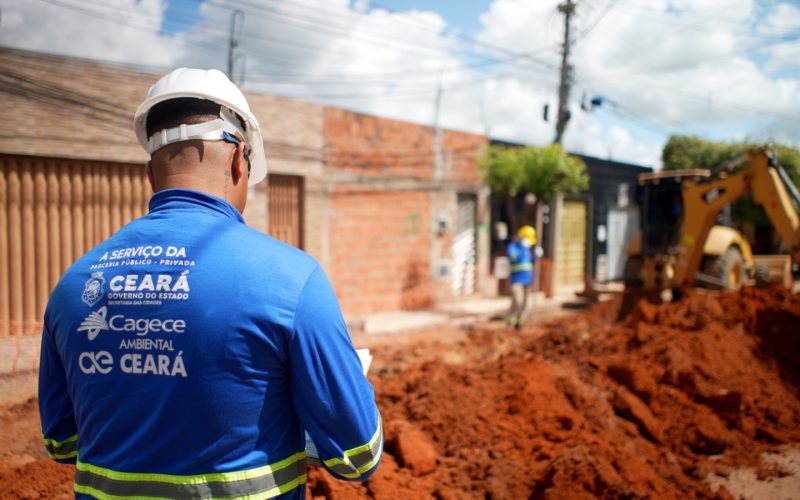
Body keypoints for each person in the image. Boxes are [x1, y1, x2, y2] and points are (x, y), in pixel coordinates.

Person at [38, 68, 382, 499]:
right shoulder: (292, 279)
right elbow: (358, 455)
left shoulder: (73, 285)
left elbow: (61, 441)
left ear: (151, 174)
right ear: (238, 159)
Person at [506, 225, 536, 329]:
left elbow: (529, 262)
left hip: (527, 280)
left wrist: (536, 256)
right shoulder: (513, 246)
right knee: (518, 301)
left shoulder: (528, 249)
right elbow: (513, 257)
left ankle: (520, 323)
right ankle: (510, 321)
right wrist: (522, 249)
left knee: (525, 304)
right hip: (516, 280)